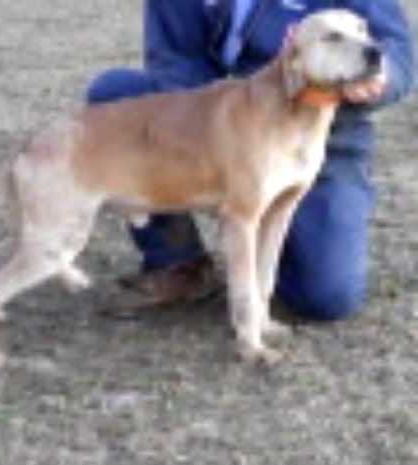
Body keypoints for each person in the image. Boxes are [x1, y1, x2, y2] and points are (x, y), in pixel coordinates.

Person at [86, 0, 413, 319]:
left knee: (326, 295)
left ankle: (266, 259)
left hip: (324, 137)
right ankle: (178, 261)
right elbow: (177, 62)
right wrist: (221, 133)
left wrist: (382, 79)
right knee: (115, 96)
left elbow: (396, 50)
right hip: (223, 126)